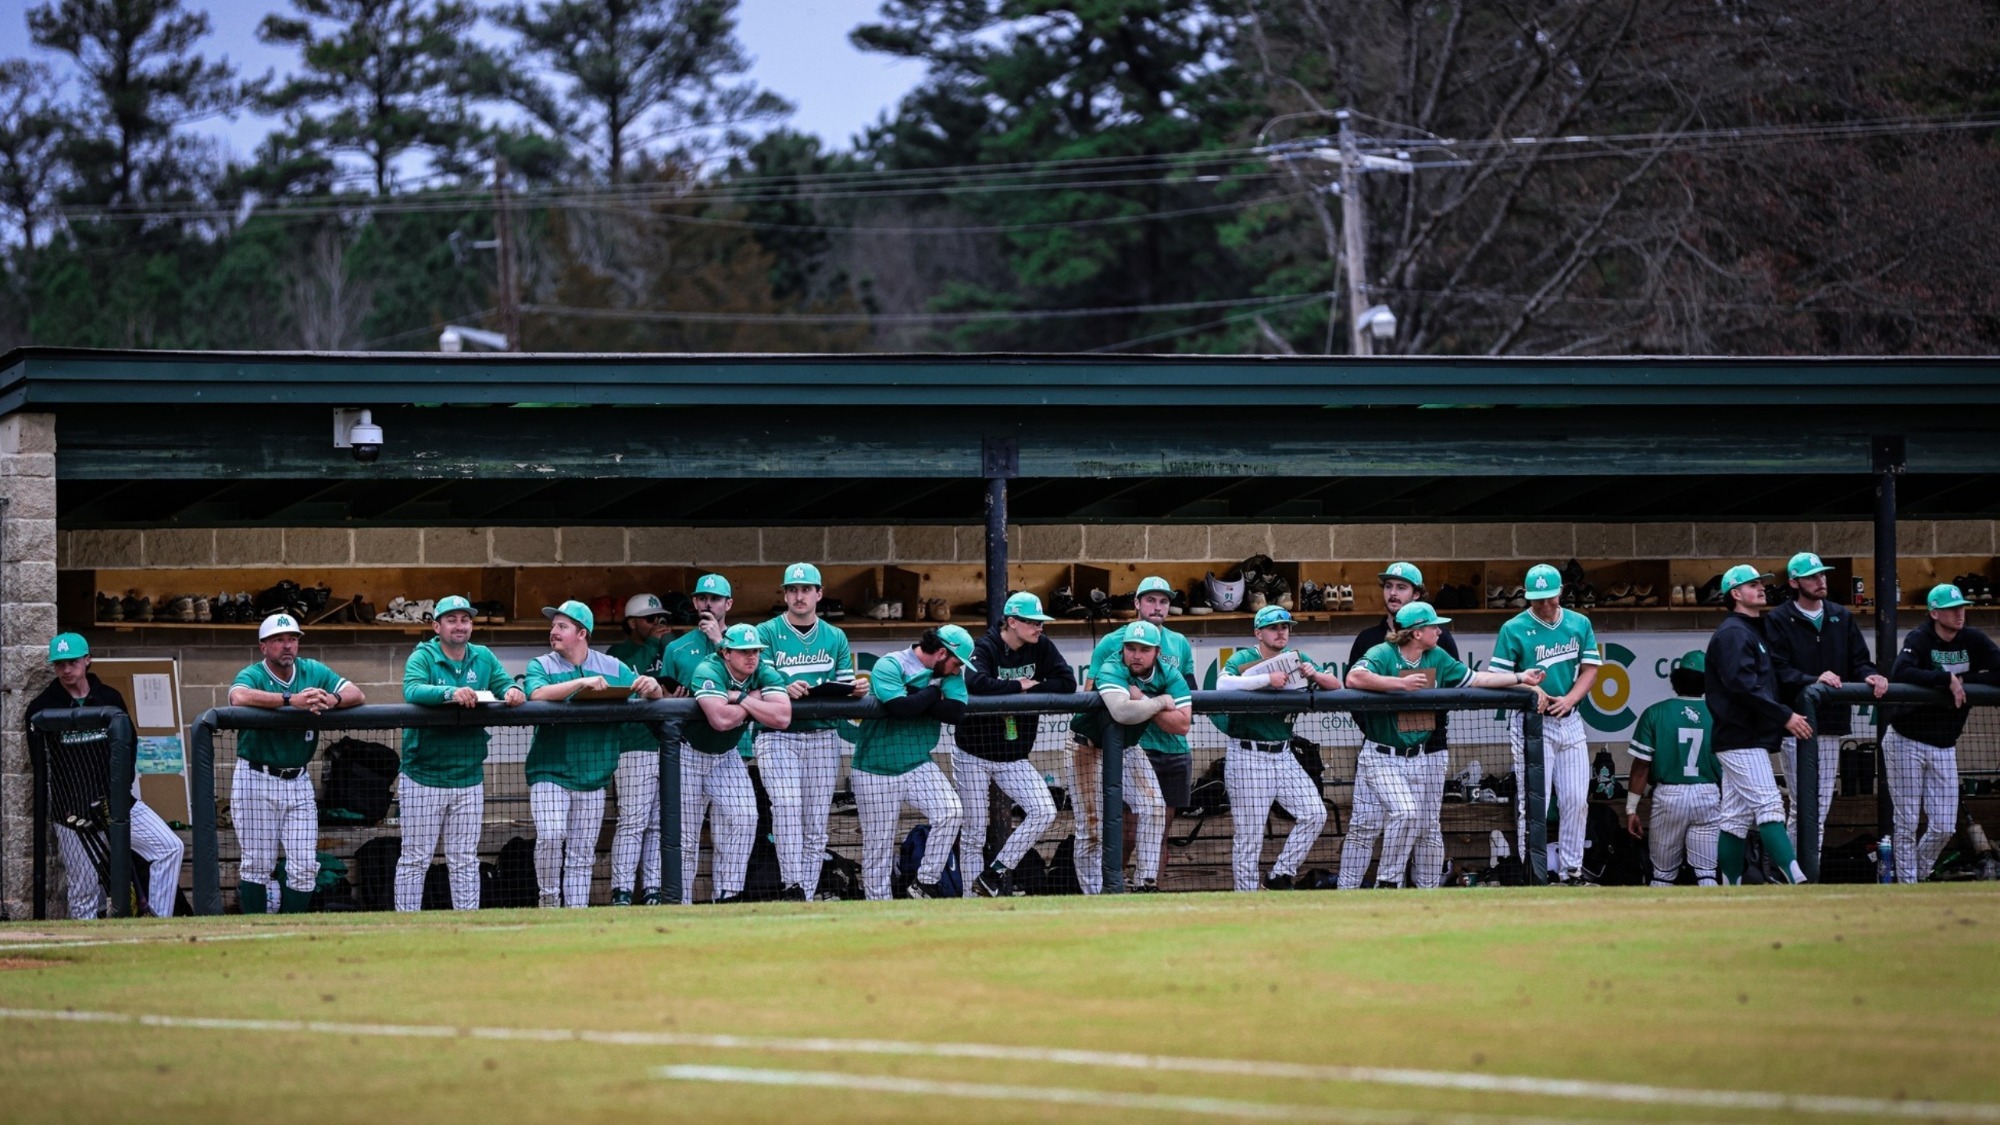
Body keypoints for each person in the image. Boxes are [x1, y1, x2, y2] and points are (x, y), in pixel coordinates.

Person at [1347, 602, 1539, 888]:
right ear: (1415, 633)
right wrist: (1398, 684)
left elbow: (1476, 678)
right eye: (1433, 626)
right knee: (1403, 813)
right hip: (1381, 755)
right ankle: (1384, 882)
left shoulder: (1436, 655)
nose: (1439, 630)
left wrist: (1520, 678)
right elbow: (1353, 677)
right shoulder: (1382, 652)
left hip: (1420, 756)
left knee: (1418, 821)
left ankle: (1390, 883)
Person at [25, 632, 184, 919]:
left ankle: (158, 924)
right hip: (71, 811)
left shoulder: (110, 697)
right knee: (84, 889)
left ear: (87, 660)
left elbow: (129, 747)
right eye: (59, 664)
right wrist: (64, 808)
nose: (66, 669)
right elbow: (40, 764)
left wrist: (121, 793)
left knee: (169, 847)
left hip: (118, 804)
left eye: (72, 662)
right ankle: (87, 950)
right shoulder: (41, 706)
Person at [524, 599, 663, 908]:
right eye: (553, 626)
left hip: (594, 773)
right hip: (550, 770)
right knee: (550, 835)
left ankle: (576, 914)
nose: (554, 631)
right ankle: (548, 900)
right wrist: (580, 682)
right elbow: (536, 694)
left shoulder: (612, 666)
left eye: (562, 626)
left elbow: (650, 694)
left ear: (582, 633)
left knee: (582, 853)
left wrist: (652, 686)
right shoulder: (542, 664)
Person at [228, 613, 365, 914]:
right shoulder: (254, 673)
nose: (287, 645)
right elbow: (238, 697)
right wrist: (291, 700)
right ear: (264, 646)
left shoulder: (312, 669)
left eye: (292, 639)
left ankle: (293, 927)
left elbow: (357, 692)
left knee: (304, 866)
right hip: (256, 776)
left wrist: (333, 700)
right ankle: (253, 929)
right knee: (258, 863)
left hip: (298, 779)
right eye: (278, 640)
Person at [397, 595, 525, 912]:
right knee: (415, 858)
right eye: (452, 619)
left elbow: (505, 683)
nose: (460, 625)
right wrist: (449, 693)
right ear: (436, 625)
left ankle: (467, 923)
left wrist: (513, 691)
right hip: (424, 776)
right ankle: (404, 924)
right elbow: (411, 689)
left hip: (468, 776)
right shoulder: (423, 656)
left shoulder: (482, 656)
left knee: (465, 859)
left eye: (465, 619)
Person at [1340, 562, 1460, 891]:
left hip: (1429, 748)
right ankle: (1346, 895)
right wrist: (1380, 729)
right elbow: (1351, 692)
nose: (1393, 593)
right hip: (1380, 748)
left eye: (1402, 587)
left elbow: (1451, 690)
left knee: (1426, 827)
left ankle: (1425, 897)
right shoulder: (1369, 639)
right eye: (1389, 586)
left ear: (1417, 594)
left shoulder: (1441, 638)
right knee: (1364, 825)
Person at [1763, 551, 1887, 855]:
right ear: (1794, 582)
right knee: (1803, 807)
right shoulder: (1778, 618)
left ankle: (1802, 876)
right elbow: (1778, 669)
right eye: (1812, 576)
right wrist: (1813, 678)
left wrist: (1871, 675)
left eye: (1823, 575)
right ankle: (1795, 875)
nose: (1821, 581)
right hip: (1797, 723)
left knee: (1819, 808)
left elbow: (1859, 660)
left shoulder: (1840, 615)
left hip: (1830, 723)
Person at [1076, 576, 1192, 892]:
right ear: (1137, 603)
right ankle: (1101, 893)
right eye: (1151, 600)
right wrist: (1155, 702)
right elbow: (1104, 699)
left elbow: (1184, 713)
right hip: (1096, 745)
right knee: (1101, 830)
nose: (1136, 655)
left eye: (1164, 600)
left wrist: (1144, 700)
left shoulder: (1177, 648)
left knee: (1157, 820)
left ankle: (1146, 889)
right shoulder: (1112, 648)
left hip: (1148, 746)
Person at [1212, 605, 1339, 891]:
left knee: (1314, 813)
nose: (1281, 631)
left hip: (1283, 753)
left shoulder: (1297, 658)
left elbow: (1335, 684)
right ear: (1259, 633)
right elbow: (1222, 685)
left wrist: (1314, 674)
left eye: (1285, 626)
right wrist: (1266, 680)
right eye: (1274, 627)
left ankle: (1279, 874)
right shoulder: (1245, 658)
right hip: (1248, 754)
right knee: (1250, 835)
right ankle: (1246, 898)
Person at [755, 563, 862, 901]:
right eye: (792, 590)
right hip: (777, 736)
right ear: (785, 594)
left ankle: (808, 892)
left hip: (821, 737)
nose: (799, 596)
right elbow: (759, 680)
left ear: (819, 593)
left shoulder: (835, 636)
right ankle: (792, 885)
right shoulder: (767, 631)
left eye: (806, 590)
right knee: (785, 807)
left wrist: (853, 691)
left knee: (815, 823)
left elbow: (843, 684)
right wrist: (784, 687)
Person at [1490, 563, 1602, 884]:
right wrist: (1530, 686)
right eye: (1538, 599)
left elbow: (1590, 669)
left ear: (1560, 593)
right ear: (1528, 597)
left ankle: (1571, 871)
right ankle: (1533, 871)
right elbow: (1498, 677)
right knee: (1533, 800)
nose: (1545, 604)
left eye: (1550, 597)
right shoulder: (1514, 627)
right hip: (1531, 722)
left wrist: (1571, 699)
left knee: (1576, 799)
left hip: (1569, 719)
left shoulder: (1579, 623)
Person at [956, 591, 1070, 897]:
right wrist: (1017, 686)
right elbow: (975, 681)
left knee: (1044, 810)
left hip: (1013, 755)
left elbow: (1067, 681)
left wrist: (1034, 689)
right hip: (973, 753)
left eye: (1040, 622)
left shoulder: (1041, 646)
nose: (1039, 627)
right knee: (974, 831)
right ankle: (970, 901)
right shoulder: (988, 645)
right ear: (1011, 622)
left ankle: (994, 873)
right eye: (1032, 622)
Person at [1885, 583, 2000, 883]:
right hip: (1906, 739)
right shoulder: (1920, 637)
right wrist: (1943, 679)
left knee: (1944, 826)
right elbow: (1901, 672)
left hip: (1944, 743)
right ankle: (1907, 886)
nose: (1959, 613)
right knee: (1907, 820)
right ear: (1934, 613)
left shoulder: (1972, 639)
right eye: (1951, 609)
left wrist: (1964, 678)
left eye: (1961, 607)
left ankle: (1919, 875)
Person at [1704, 565, 1811, 886]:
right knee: (1769, 804)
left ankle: (1730, 887)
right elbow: (1742, 685)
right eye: (1752, 585)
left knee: (1735, 818)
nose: (1761, 588)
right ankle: (1797, 878)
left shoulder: (1750, 629)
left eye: (1760, 583)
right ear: (1735, 594)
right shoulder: (1734, 633)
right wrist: (1784, 715)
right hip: (1740, 735)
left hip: (1744, 735)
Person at [851, 625, 974, 900]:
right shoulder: (891, 664)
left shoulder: (950, 674)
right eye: (956, 663)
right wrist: (931, 693)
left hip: (918, 762)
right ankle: (878, 912)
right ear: (942, 652)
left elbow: (955, 712)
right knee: (878, 849)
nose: (957, 670)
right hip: (875, 767)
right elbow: (900, 709)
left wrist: (916, 696)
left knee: (951, 811)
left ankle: (925, 881)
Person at [684, 623, 793, 903]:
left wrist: (743, 698)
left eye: (755, 650)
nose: (751, 657)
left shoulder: (762, 671)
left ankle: (728, 896)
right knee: (686, 836)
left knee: (746, 818)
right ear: (726, 652)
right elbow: (719, 720)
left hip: (725, 755)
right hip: (687, 755)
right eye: (744, 651)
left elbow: (782, 717)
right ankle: (679, 902)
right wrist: (756, 703)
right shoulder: (708, 669)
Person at [1623, 651, 1720, 887]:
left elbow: (1641, 767)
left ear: (1676, 679)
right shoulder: (1720, 713)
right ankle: (1714, 922)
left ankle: (1657, 922)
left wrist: (1630, 809)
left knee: (1663, 874)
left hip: (1669, 796)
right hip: (1709, 793)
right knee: (1706, 873)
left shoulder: (1655, 712)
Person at [606, 592, 673, 905]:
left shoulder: (668, 647)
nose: (658, 623)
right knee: (633, 821)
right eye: (650, 618)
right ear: (631, 622)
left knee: (659, 824)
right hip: (634, 746)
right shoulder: (617, 652)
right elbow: (637, 681)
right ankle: (621, 890)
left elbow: (675, 684)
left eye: (661, 617)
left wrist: (664, 644)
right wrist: (652, 645)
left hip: (669, 744)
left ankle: (653, 889)